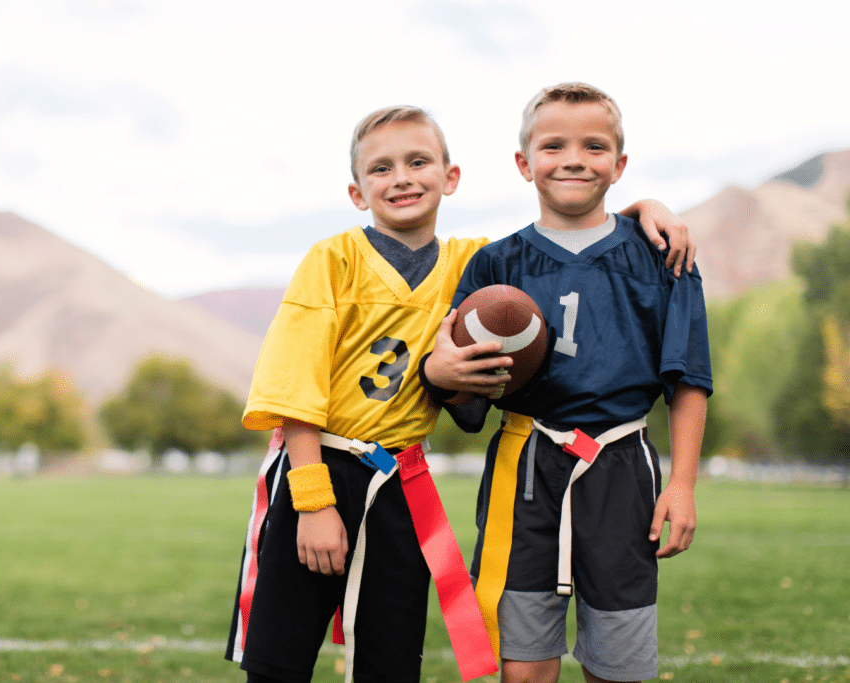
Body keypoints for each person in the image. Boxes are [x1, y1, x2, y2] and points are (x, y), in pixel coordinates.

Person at [226, 103, 696, 683]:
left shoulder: (471, 263)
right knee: (279, 661)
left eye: (418, 161)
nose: (401, 177)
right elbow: (293, 385)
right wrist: (313, 499)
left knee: (391, 662)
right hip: (317, 466)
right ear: (356, 192)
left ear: (451, 177)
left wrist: (645, 209)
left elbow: (574, 227)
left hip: (401, 479)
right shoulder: (332, 260)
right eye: (381, 168)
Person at [421, 83, 713, 683]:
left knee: (619, 667)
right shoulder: (493, 266)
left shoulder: (663, 255)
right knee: (523, 669)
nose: (575, 159)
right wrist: (443, 375)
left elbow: (689, 380)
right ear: (525, 164)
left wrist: (682, 484)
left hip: (622, 466)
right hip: (526, 468)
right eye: (553, 146)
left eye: (595, 146)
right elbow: (466, 395)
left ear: (620, 165)